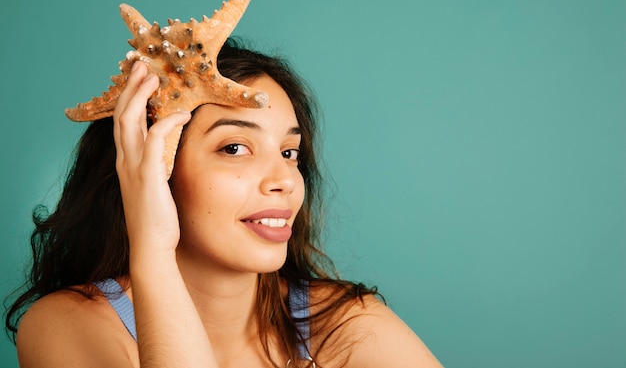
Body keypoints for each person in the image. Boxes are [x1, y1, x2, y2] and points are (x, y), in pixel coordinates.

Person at [5, 38, 443, 367]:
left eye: (290, 153)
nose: (284, 181)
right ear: (150, 167)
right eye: (234, 147)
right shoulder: (67, 326)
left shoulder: (344, 325)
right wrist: (153, 246)